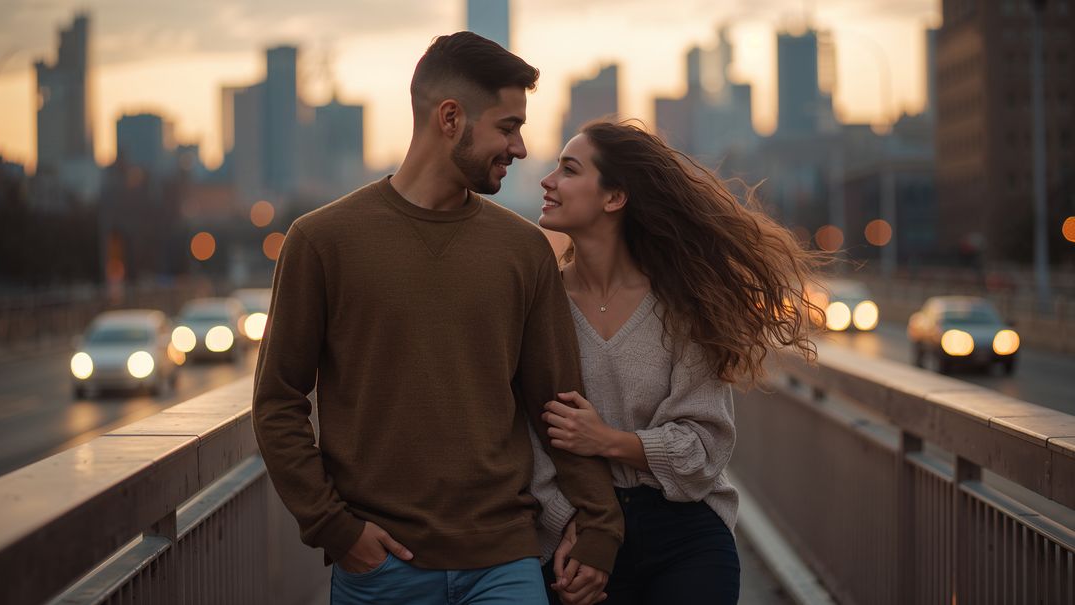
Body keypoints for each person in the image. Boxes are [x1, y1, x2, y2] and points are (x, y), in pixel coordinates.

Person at [252, 32, 623, 605]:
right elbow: (278, 402)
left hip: (505, 564)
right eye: (507, 127)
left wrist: (601, 527)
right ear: (451, 118)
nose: (520, 148)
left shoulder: (525, 251)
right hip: (379, 570)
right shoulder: (321, 241)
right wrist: (334, 529)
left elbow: (560, 405)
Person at [530, 120, 822, 605]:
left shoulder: (682, 305)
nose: (547, 179)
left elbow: (704, 446)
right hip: (580, 533)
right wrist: (567, 524)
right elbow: (529, 439)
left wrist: (607, 441)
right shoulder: (542, 304)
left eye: (568, 169)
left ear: (614, 197)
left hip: (685, 534)